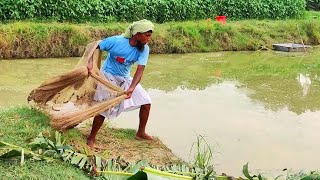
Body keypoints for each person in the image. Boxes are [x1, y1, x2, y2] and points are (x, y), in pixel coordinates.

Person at [86, 19, 154, 148]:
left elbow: (140, 69)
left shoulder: (144, 49)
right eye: (147, 36)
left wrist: (132, 88)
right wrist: (89, 62)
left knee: (146, 102)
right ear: (137, 34)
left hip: (125, 78)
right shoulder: (116, 41)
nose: (149, 39)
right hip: (107, 77)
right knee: (104, 108)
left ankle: (140, 132)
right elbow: (93, 46)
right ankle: (92, 136)